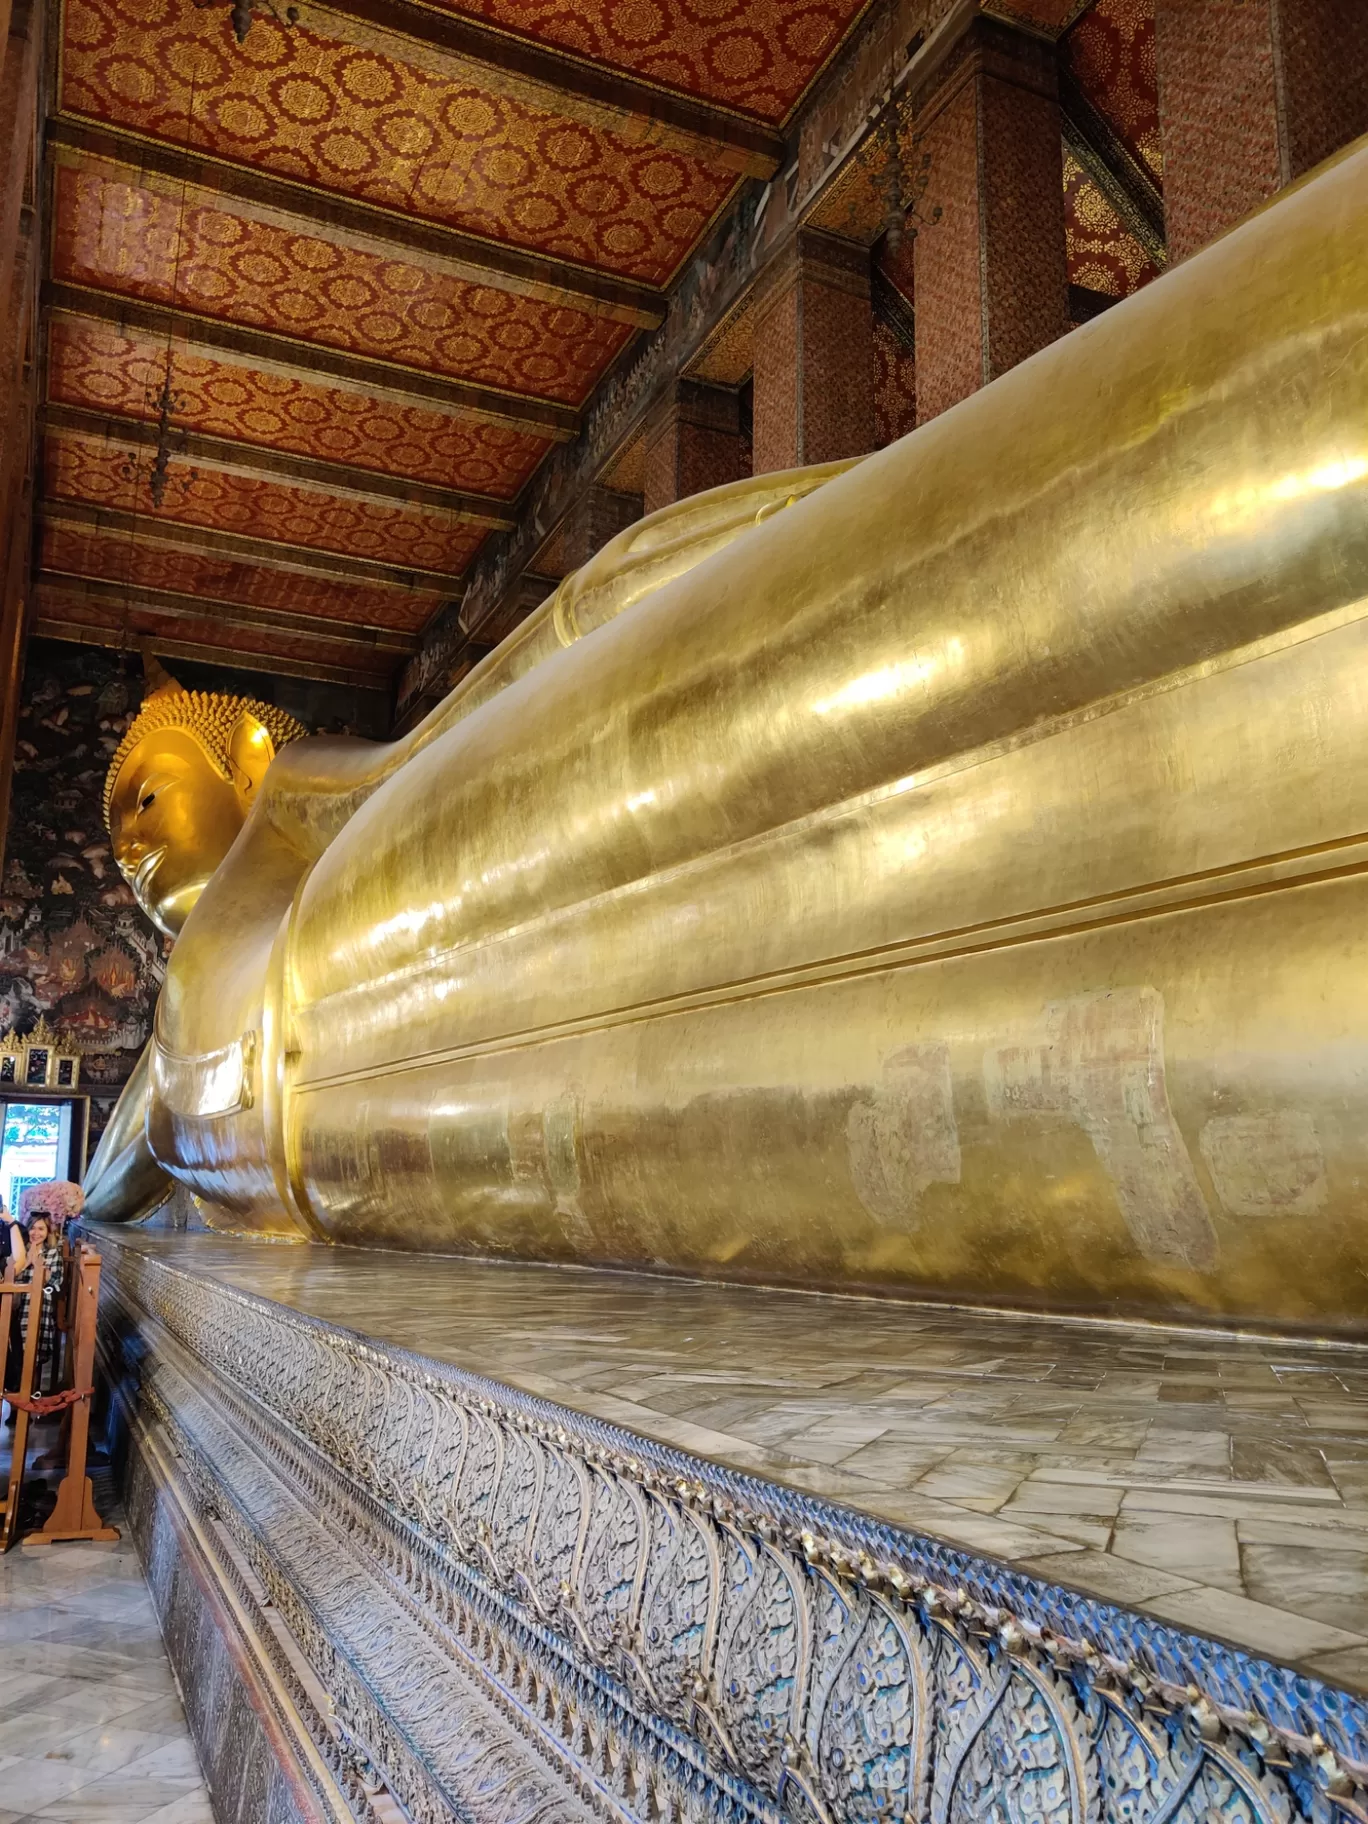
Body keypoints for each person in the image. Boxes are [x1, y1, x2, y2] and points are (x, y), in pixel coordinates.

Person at [17, 1213, 64, 1398]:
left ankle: (27, 1407)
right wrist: (26, 1261)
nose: (36, 1233)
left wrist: (40, 1267)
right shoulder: (19, 1249)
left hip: (39, 1311)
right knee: (15, 1359)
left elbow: (55, 1282)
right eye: (33, 1228)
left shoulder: (52, 1253)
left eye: (41, 1228)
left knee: (33, 1360)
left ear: (48, 1232)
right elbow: (11, 1275)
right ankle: (14, 1406)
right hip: (17, 1309)